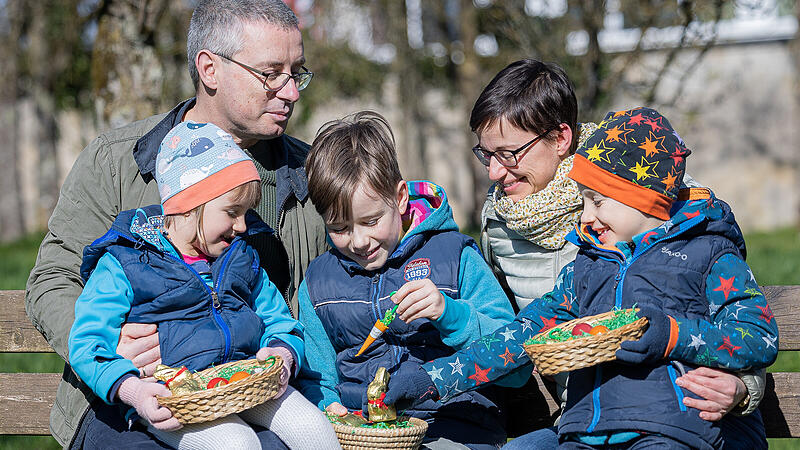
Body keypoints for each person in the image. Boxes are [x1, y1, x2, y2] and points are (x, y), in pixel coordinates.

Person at [379, 107, 779, 449]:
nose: (586, 216)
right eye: (584, 200)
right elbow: (520, 336)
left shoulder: (708, 253)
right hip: (587, 432)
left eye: (598, 201)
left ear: (645, 199)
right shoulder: (588, 266)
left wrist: (672, 336)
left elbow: (758, 336)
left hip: (672, 429)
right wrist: (431, 380)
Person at [25, 1, 328, 448]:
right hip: (128, 405)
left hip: (259, 387)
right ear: (210, 69)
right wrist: (114, 351)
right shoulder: (116, 161)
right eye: (271, 74)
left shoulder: (316, 172)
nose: (291, 91)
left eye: (296, 72)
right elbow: (53, 277)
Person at [470, 59, 766, 441]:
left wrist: (743, 389)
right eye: (485, 154)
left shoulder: (655, 192)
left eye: (508, 153)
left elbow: (740, 316)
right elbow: (510, 332)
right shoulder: (497, 221)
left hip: (681, 416)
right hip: (585, 420)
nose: (494, 172)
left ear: (561, 138)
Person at [68, 122, 339, 449]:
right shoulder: (127, 263)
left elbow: (277, 318)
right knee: (236, 443)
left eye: (245, 213)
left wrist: (281, 352)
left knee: (314, 428)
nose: (242, 226)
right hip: (174, 399)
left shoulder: (240, 257)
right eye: (232, 213)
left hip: (242, 384)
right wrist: (133, 391)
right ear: (188, 205)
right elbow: (87, 343)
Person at [295, 111, 521, 449]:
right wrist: (328, 409)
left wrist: (451, 315)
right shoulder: (318, 283)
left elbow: (516, 365)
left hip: (455, 425)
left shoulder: (454, 256)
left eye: (371, 221)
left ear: (400, 198)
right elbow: (318, 377)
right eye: (339, 229)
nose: (358, 241)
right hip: (364, 437)